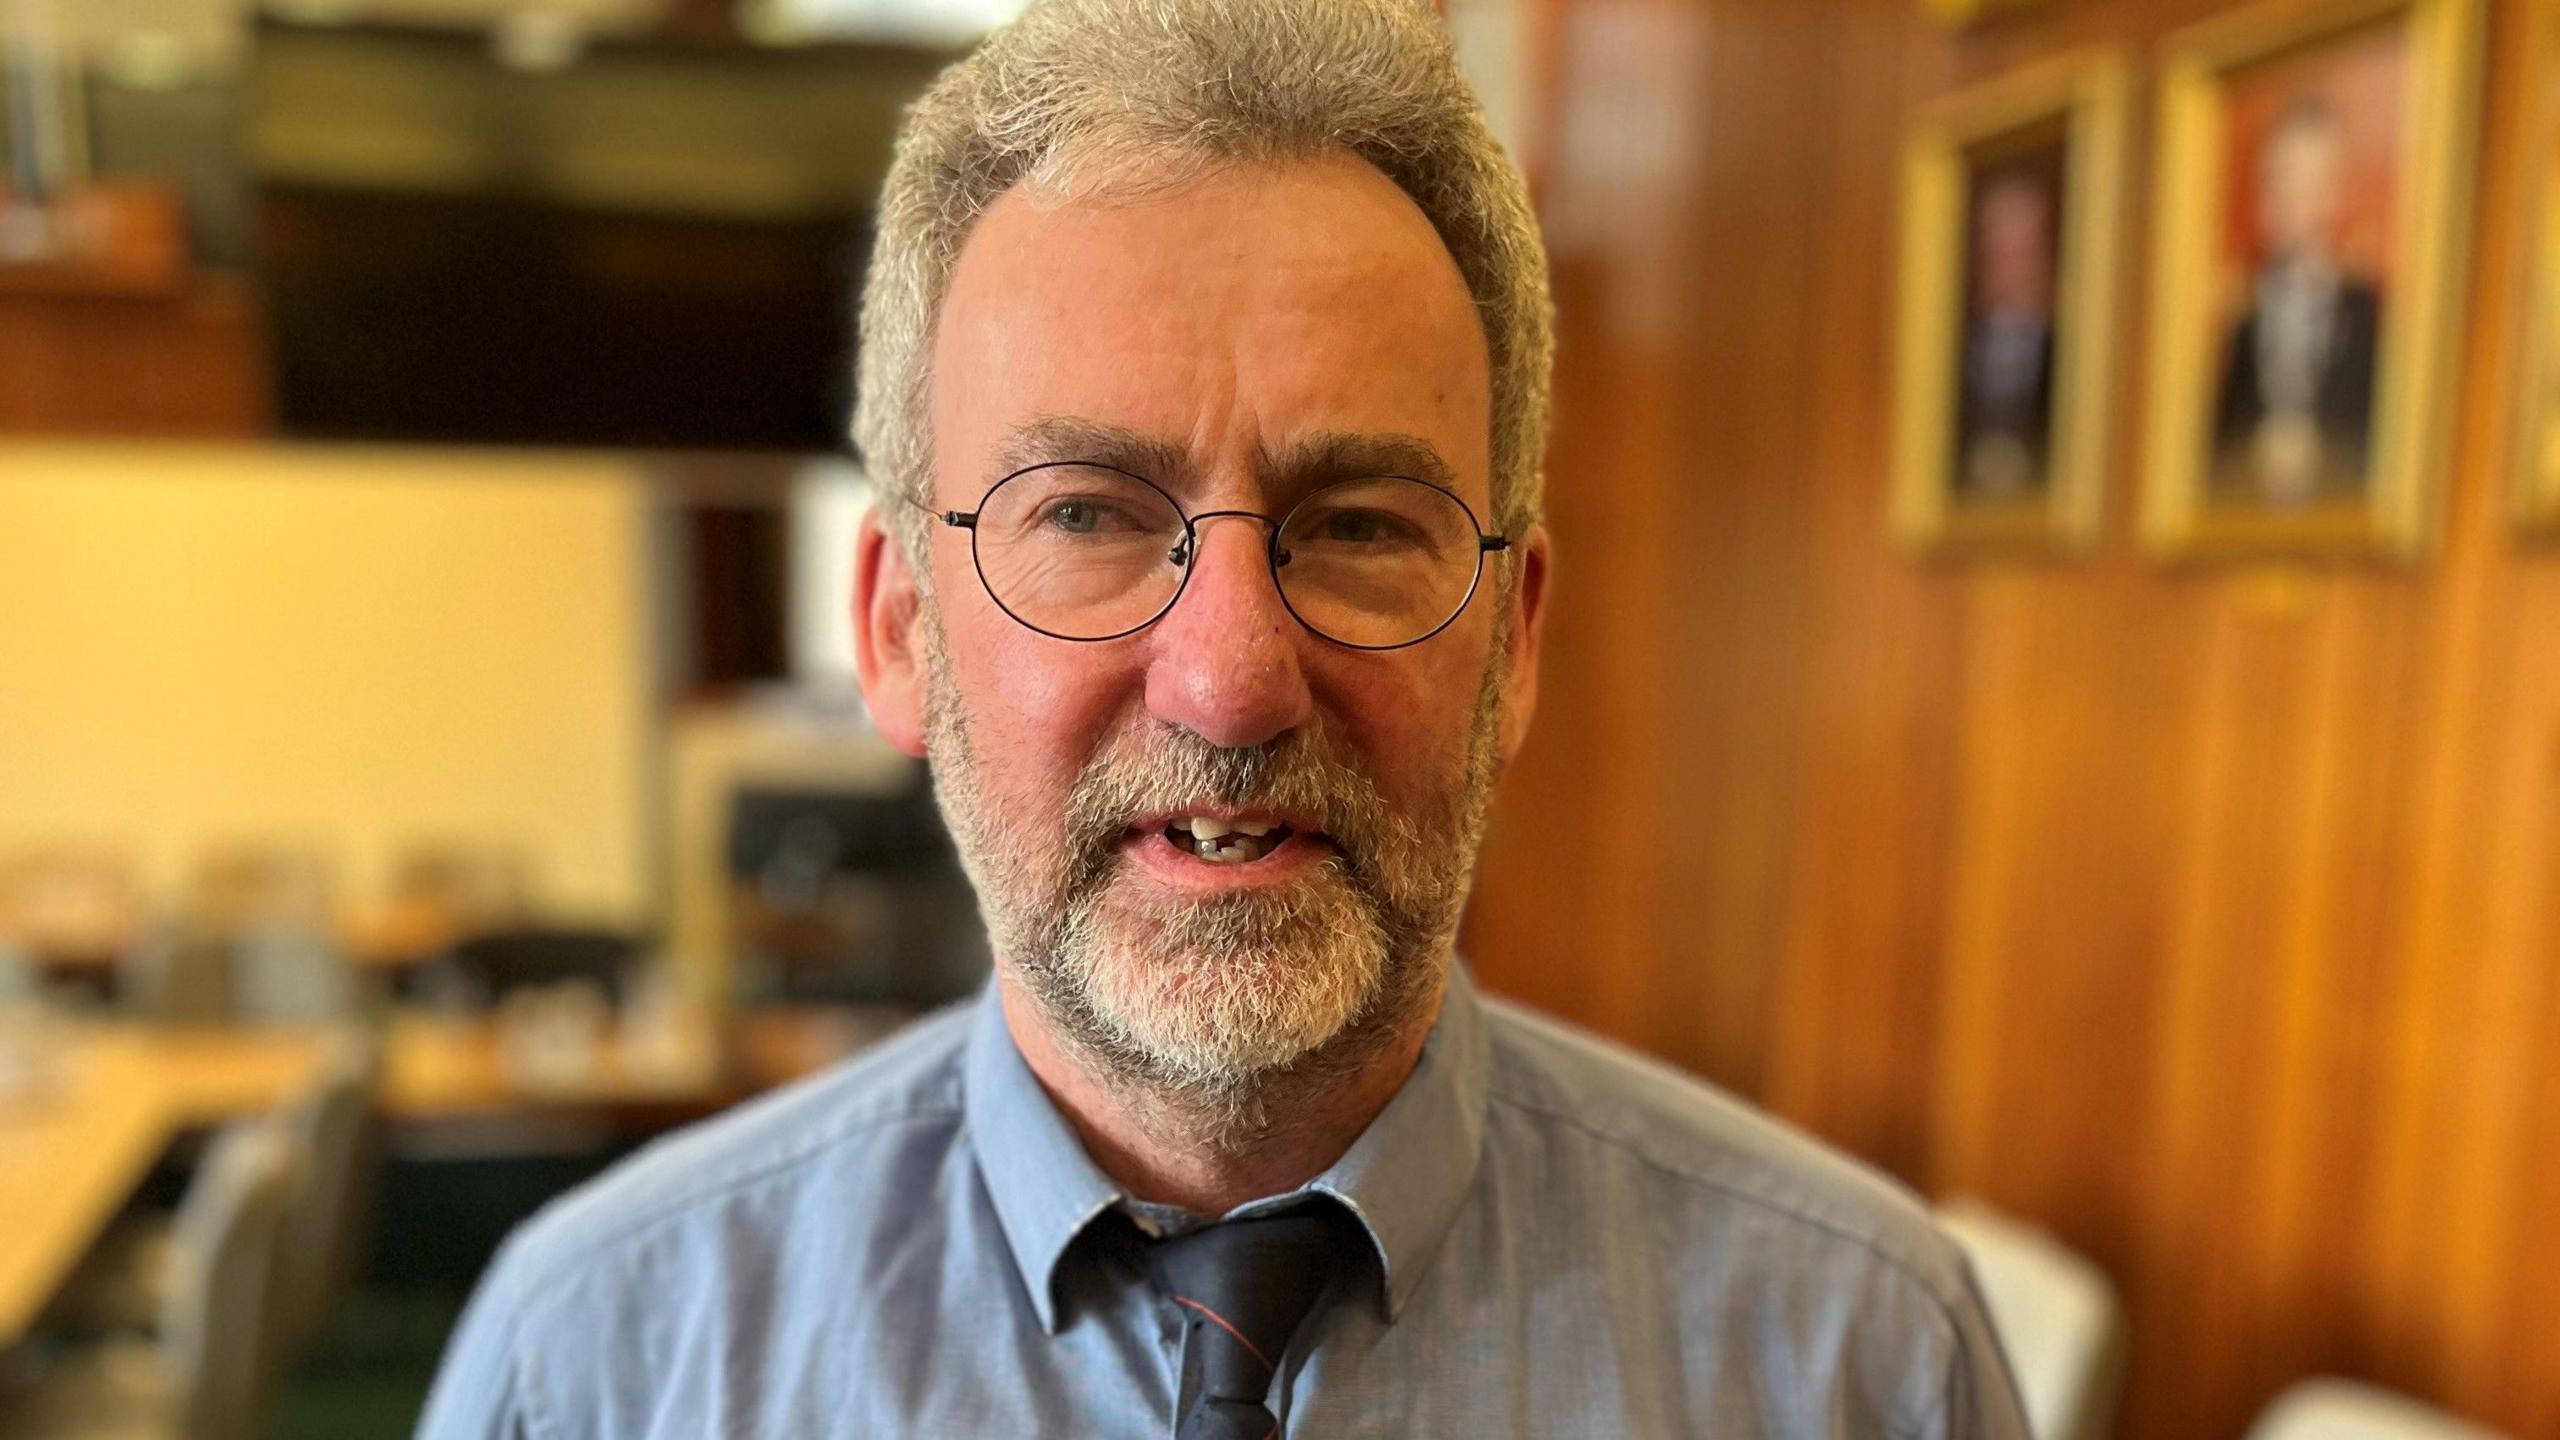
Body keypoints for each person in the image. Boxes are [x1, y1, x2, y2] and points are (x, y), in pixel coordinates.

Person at [416, 1, 2031, 1435]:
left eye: (1359, 523)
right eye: (1090, 516)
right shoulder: (595, 1371)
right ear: (898, 631)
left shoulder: (1865, 1367)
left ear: (1517, 639)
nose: (1231, 677)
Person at [2211, 98, 2382, 503]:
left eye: (2306, 182)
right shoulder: (2242, 310)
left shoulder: (2366, 310)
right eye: (2278, 180)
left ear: (2334, 193)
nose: (2289, 197)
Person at [1955, 169, 2060, 499]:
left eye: (2019, 249)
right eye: (1996, 248)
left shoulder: (2073, 347)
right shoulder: (1946, 343)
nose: (2006, 263)